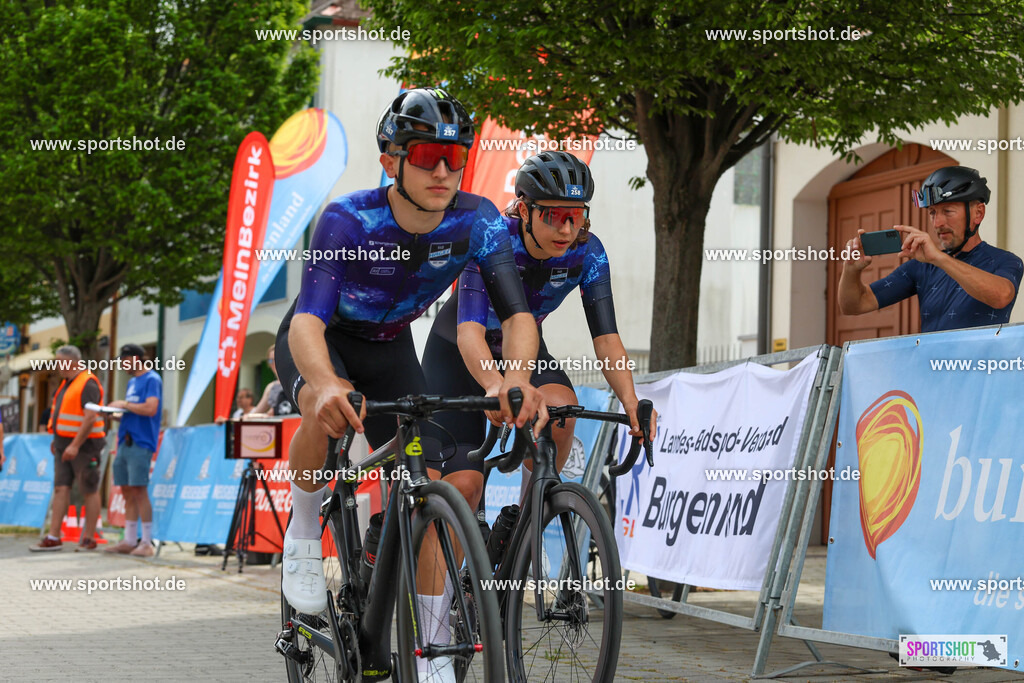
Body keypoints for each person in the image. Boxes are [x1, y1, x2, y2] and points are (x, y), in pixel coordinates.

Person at [276, 87, 546, 680]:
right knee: (322, 410)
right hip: (324, 338)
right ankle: (303, 529)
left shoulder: (478, 220)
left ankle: (434, 649)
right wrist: (325, 384)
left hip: (390, 345)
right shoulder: (349, 218)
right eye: (426, 156)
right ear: (390, 160)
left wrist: (514, 378)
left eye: (456, 156)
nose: (443, 171)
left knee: (428, 476)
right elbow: (307, 321)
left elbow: (518, 316)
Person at [424, 151, 657, 513]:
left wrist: (629, 400)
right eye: (554, 216)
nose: (566, 230)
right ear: (524, 209)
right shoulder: (492, 239)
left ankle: (526, 524)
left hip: (523, 350)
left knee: (561, 413)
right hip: (459, 354)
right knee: (464, 487)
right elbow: (469, 332)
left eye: (576, 216)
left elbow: (607, 339)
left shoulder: (587, 253)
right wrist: (494, 384)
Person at [839, 166, 1022, 330]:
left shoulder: (1005, 260)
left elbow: (1001, 296)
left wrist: (939, 259)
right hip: (931, 359)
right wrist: (851, 270)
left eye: (948, 211)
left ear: (978, 213)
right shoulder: (921, 266)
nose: (937, 223)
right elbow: (855, 304)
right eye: (932, 213)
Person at [30, 345, 105, 552]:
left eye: (59, 362)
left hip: (85, 446)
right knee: (60, 488)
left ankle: (89, 538)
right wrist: (58, 439)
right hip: (63, 444)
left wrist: (75, 445)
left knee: (89, 488)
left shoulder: (88, 383)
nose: (56, 366)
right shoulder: (67, 383)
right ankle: (53, 536)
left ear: (70, 362)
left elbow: (90, 418)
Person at [104, 344, 162, 557]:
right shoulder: (132, 382)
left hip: (141, 442)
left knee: (139, 490)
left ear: (136, 358)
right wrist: (112, 414)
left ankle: (146, 542)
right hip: (124, 441)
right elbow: (133, 413)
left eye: (125, 360)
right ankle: (129, 540)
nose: (123, 365)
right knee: (127, 490)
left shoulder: (152, 379)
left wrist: (125, 404)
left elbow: (150, 408)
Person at [250, 345, 294, 416]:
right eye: (271, 360)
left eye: (277, 359)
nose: (274, 363)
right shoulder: (271, 387)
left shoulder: (294, 382)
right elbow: (258, 411)